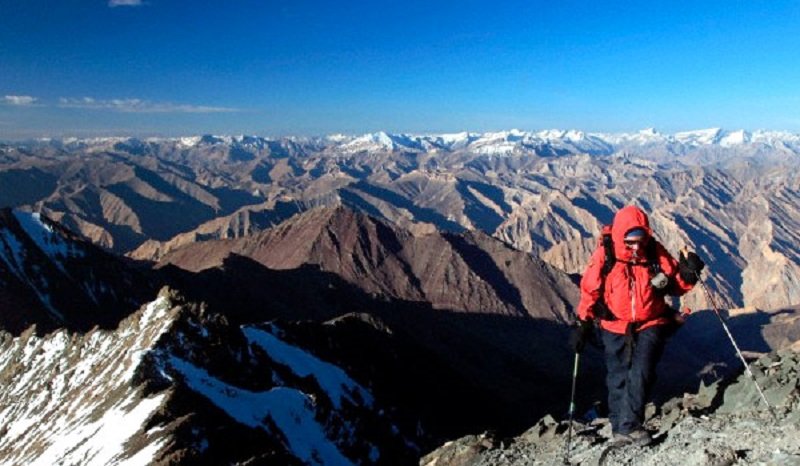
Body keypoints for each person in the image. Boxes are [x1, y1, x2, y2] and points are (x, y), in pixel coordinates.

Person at [573, 205, 705, 446]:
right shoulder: (606, 254)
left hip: (651, 320)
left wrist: (689, 274)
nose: (636, 246)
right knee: (617, 376)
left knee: (642, 371)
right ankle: (619, 426)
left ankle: (629, 426)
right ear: (620, 237)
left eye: (640, 239)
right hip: (614, 324)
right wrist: (583, 322)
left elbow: (675, 283)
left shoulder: (654, 251)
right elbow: (590, 288)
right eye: (630, 241)